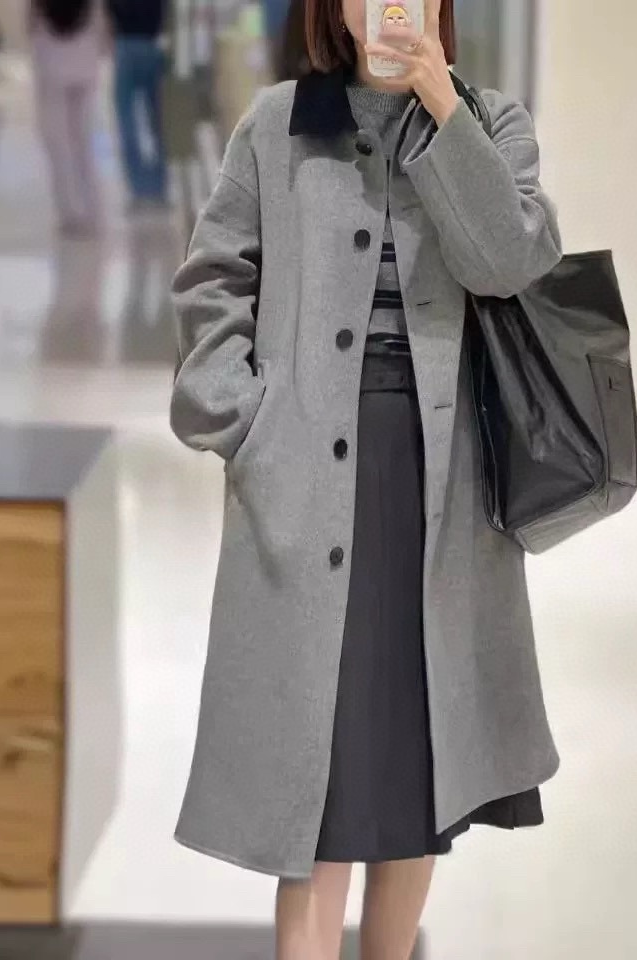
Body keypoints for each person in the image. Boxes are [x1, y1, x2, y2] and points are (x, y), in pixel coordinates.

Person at [169, 0, 562, 957]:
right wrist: (244, 419)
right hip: (304, 482)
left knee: (416, 771)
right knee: (320, 779)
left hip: (441, 494)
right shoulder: (276, 125)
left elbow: (509, 261)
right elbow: (214, 278)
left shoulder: (492, 124)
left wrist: (442, 105)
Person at [29, 0, 105, 235]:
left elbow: (32, 21)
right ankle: (92, 208)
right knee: (83, 142)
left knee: (58, 144)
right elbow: (99, 19)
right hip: (84, 60)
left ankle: (70, 213)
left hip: (52, 62)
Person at [105, 0, 168, 209]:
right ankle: (159, 187)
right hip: (153, 43)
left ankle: (139, 189)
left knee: (127, 121)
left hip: (125, 43)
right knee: (158, 121)